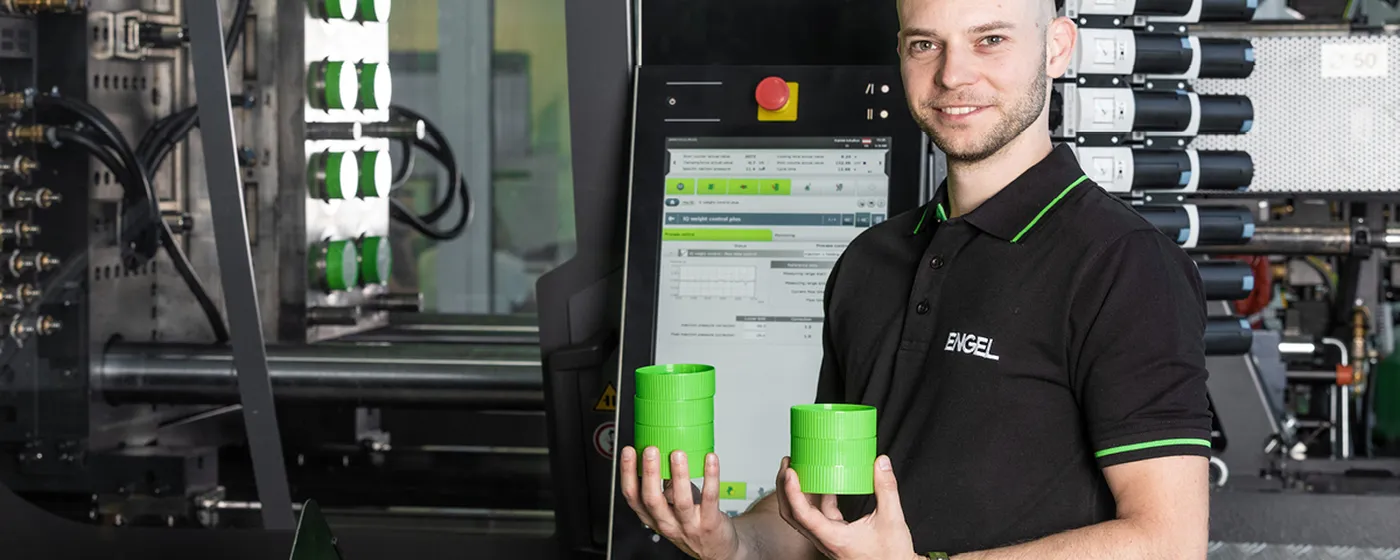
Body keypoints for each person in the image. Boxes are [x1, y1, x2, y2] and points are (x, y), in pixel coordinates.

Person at [619, 0, 1213, 556]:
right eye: (925, 43)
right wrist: (734, 542)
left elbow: (1168, 539)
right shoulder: (871, 260)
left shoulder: (1125, 263)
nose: (953, 75)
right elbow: (833, 502)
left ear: (1056, 49)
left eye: (991, 40)